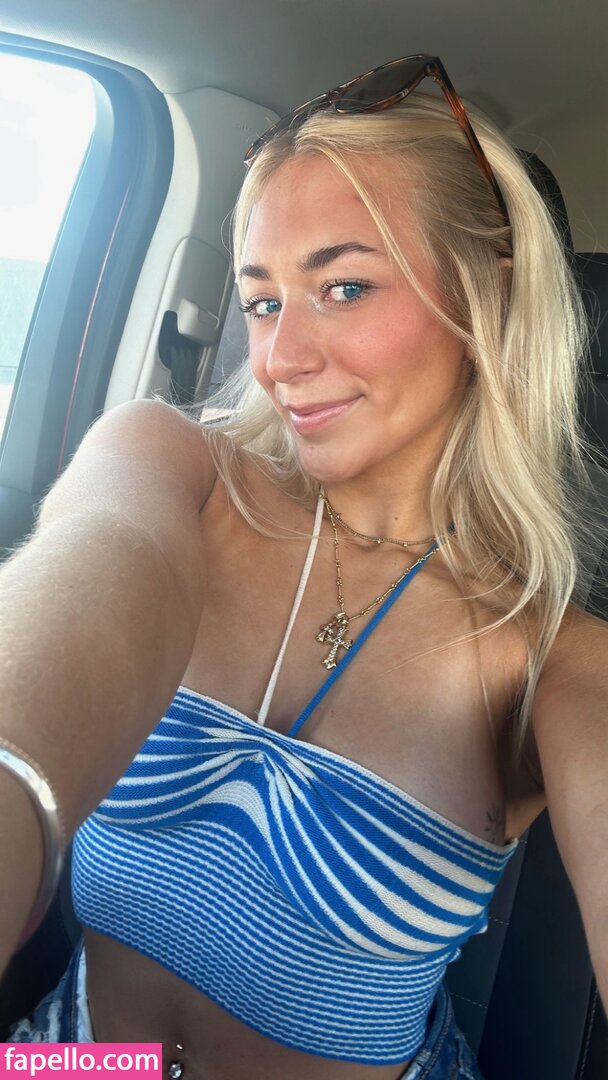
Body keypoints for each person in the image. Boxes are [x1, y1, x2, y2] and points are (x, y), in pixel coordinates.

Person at [1, 53, 607, 1080]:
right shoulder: (175, 470)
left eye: (343, 286)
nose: (278, 359)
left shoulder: (550, 658)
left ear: (487, 300)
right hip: (75, 1062)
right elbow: (92, 572)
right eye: (262, 301)